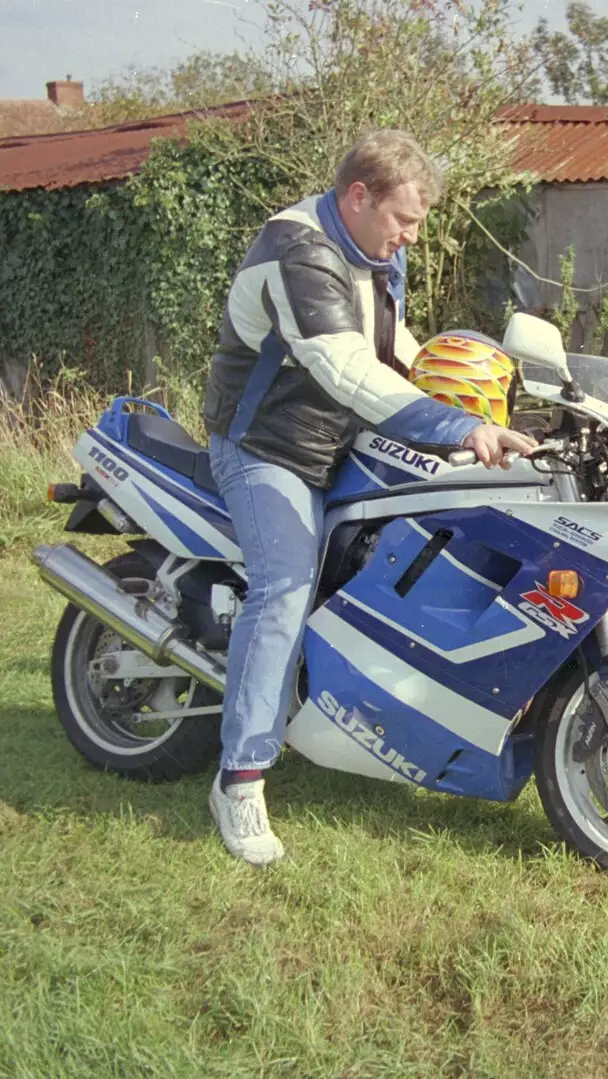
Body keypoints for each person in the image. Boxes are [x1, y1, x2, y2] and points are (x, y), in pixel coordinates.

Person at [200, 130, 537, 865]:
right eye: (404, 220)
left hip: (339, 440)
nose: (412, 236)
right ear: (358, 196)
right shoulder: (300, 252)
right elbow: (347, 368)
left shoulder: (374, 251)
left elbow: (395, 346)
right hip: (267, 448)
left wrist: (491, 400)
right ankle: (242, 780)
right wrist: (452, 425)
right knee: (285, 584)